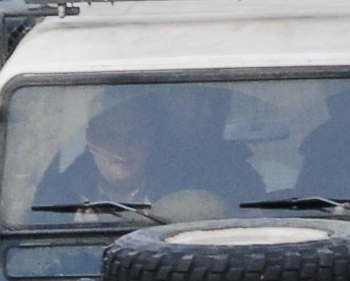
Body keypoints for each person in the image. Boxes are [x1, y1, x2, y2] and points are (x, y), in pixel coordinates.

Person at [31, 91, 256, 216]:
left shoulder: (191, 185)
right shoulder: (58, 200)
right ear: (91, 140)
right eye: (111, 137)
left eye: (135, 136)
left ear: (151, 139)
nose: (122, 148)